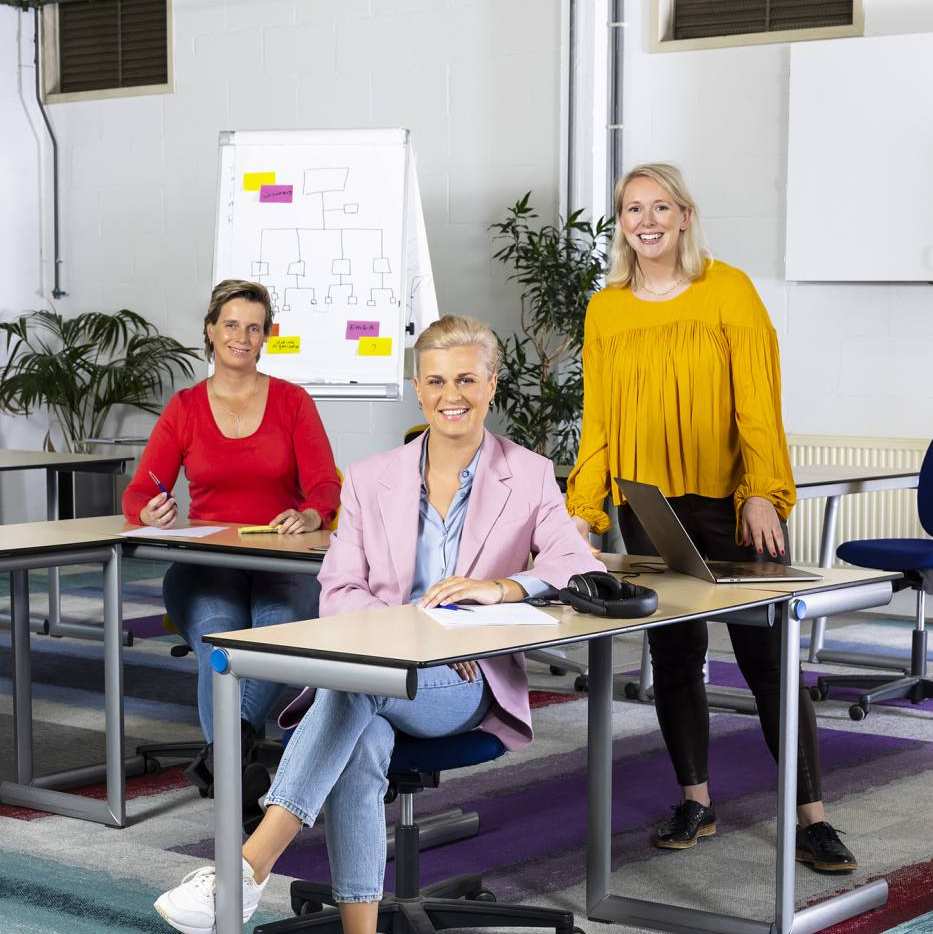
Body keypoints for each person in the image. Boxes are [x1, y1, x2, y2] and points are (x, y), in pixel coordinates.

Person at [153, 314, 605, 934]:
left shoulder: (525, 473)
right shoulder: (370, 479)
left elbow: (573, 562)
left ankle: (247, 866)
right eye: (438, 381)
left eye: (468, 380)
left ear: (492, 385)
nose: (453, 396)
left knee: (356, 683)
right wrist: (409, 634)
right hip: (381, 662)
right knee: (361, 732)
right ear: (418, 389)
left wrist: (497, 589)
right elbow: (338, 589)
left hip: (466, 676)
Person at [566, 163, 857, 874]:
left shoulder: (726, 288)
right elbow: (598, 417)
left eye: (659, 206)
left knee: (765, 660)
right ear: (622, 222)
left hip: (731, 503)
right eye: (632, 208)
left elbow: (758, 399)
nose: (646, 220)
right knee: (674, 657)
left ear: (685, 215)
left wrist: (763, 489)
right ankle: (695, 801)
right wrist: (581, 508)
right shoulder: (607, 307)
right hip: (647, 504)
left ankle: (811, 815)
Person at [123, 279, 340, 796]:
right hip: (207, 564)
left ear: (267, 336)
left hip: (282, 562)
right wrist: (148, 509)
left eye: (253, 327)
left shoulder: (292, 402)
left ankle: (223, 759)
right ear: (210, 330)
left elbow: (325, 487)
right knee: (221, 637)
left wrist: (311, 515)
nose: (241, 336)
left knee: (273, 634)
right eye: (231, 325)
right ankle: (235, 760)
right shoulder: (185, 408)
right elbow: (138, 493)